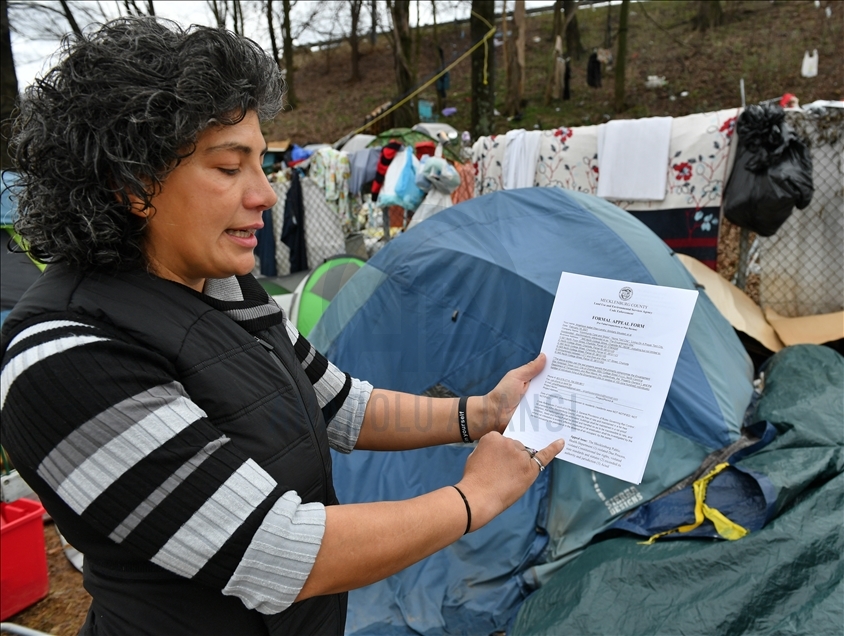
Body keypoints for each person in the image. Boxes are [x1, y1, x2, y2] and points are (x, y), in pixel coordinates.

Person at [0, 17, 564, 635]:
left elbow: (341, 406)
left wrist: (478, 413)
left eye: (261, 164)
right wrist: (473, 499)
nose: (266, 195)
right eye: (228, 167)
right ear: (134, 184)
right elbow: (281, 552)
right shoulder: (64, 356)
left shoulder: (225, 287)